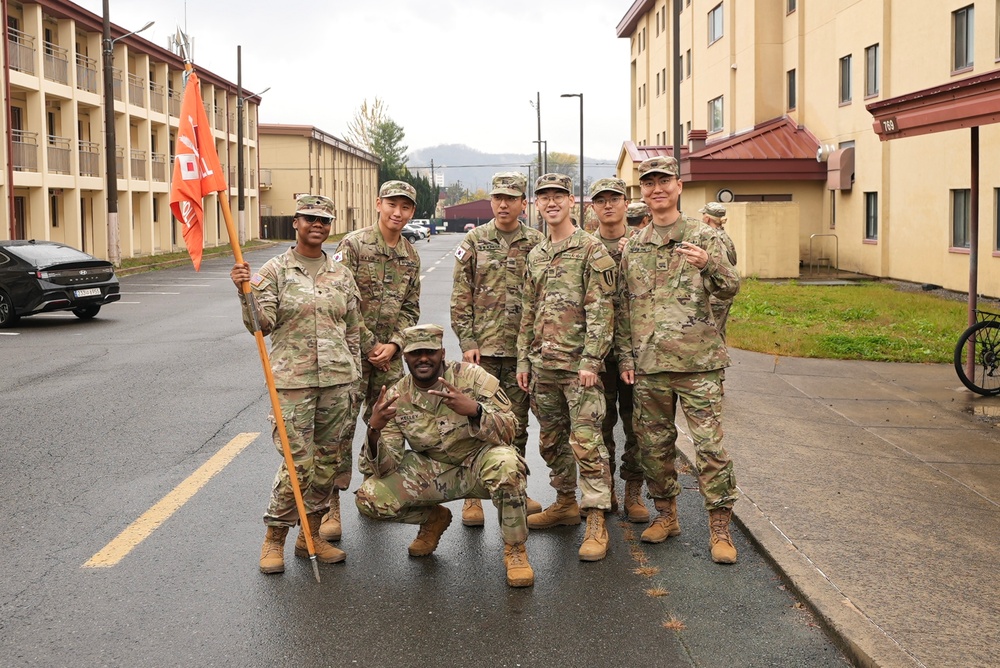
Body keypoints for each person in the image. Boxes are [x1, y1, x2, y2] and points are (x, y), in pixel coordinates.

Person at [615, 156, 741, 563]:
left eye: (664, 181)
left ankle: (719, 528)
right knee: (654, 447)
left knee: (710, 448)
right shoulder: (634, 244)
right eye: (649, 183)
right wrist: (626, 356)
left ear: (678, 186)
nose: (657, 189)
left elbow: (729, 290)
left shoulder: (706, 237)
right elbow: (623, 306)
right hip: (650, 365)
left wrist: (710, 265)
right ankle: (666, 514)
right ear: (643, 192)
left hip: (699, 363)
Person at [230, 194, 362, 574]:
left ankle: (312, 536)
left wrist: (354, 379)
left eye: (324, 220)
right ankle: (275, 538)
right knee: (296, 466)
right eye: (309, 219)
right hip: (294, 384)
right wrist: (245, 293)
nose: (316, 225)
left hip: (339, 383)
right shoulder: (274, 271)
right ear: (296, 222)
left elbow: (351, 329)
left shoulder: (341, 273)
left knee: (327, 465)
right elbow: (260, 325)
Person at [355, 324, 534, 588]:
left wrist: (474, 410)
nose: (423, 359)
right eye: (416, 354)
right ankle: (433, 519)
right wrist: (373, 430)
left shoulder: (473, 377)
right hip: (434, 472)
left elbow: (511, 429)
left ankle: (515, 549)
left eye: (430, 352)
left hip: (479, 463)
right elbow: (385, 467)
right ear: (405, 357)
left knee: (507, 463)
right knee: (370, 497)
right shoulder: (395, 396)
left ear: (442, 353)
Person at [516, 173, 617, 562]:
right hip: (543, 368)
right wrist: (525, 360)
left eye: (558, 195)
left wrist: (592, 360)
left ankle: (596, 519)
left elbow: (601, 310)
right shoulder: (537, 254)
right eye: (544, 197)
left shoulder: (592, 250)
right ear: (537, 205)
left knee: (588, 444)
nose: (551, 202)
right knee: (551, 441)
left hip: (580, 370)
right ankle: (565, 503)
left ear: (572, 202)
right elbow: (529, 312)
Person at [319, 180, 422, 541]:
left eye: (406, 207)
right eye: (392, 204)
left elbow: (411, 309)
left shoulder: (410, 254)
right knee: (339, 431)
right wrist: (367, 346)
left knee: (387, 428)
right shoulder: (353, 245)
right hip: (349, 356)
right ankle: (330, 505)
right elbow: (340, 301)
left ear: (412, 212)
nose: (398, 212)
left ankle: (372, 490)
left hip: (389, 360)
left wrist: (393, 345)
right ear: (378, 204)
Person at [450, 171, 545, 527]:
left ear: (524, 203)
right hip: (483, 352)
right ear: (491, 201)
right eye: (497, 198)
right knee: (473, 421)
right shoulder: (474, 240)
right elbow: (461, 295)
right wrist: (468, 342)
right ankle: (472, 496)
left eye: (511, 198)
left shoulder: (537, 242)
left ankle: (515, 489)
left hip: (521, 352)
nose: (503, 204)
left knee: (515, 426)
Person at [588, 178, 649, 524]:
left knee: (636, 422)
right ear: (593, 208)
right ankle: (605, 486)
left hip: (638, 348)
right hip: (597, 351)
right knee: (600, 423)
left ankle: (634, 490)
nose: (608, 205)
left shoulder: (642, 244)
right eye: (601, 201)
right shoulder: (583, 246)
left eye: (614, 199)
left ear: (626, 204)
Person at [699, 202, 738, 340]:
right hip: (726, 289)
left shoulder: (711, 238)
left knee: (711, 335)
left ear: (708, 218)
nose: (702, 217)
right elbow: (733, 260)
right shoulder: (725, 237)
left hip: (715, 292)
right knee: (719, 331)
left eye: (703, 214)